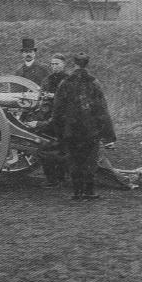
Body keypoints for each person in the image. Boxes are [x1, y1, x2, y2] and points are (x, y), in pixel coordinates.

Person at [50, 53, 117, 200]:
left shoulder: (65, 82)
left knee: (74, 161)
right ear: (87, 64)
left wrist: (59, 132)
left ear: (74, 64)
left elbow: (57, 110)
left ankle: (77, 192)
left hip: (71, 130)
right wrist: (109, 137)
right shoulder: (94, 82)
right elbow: (102, 110)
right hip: (91, 130)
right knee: (90, 162)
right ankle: (89, 192)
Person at [33, 53, 69, 187]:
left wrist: (53, 96)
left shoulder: (68, 81)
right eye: (52, 64)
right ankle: (53, 178)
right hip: (47, 118)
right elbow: (41, 99)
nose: (54, 66)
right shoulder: (47, 80)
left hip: (62, 120)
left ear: (63, 65)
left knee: (52, 149)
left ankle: (57, 179)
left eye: (57, 64)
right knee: (47, 148)